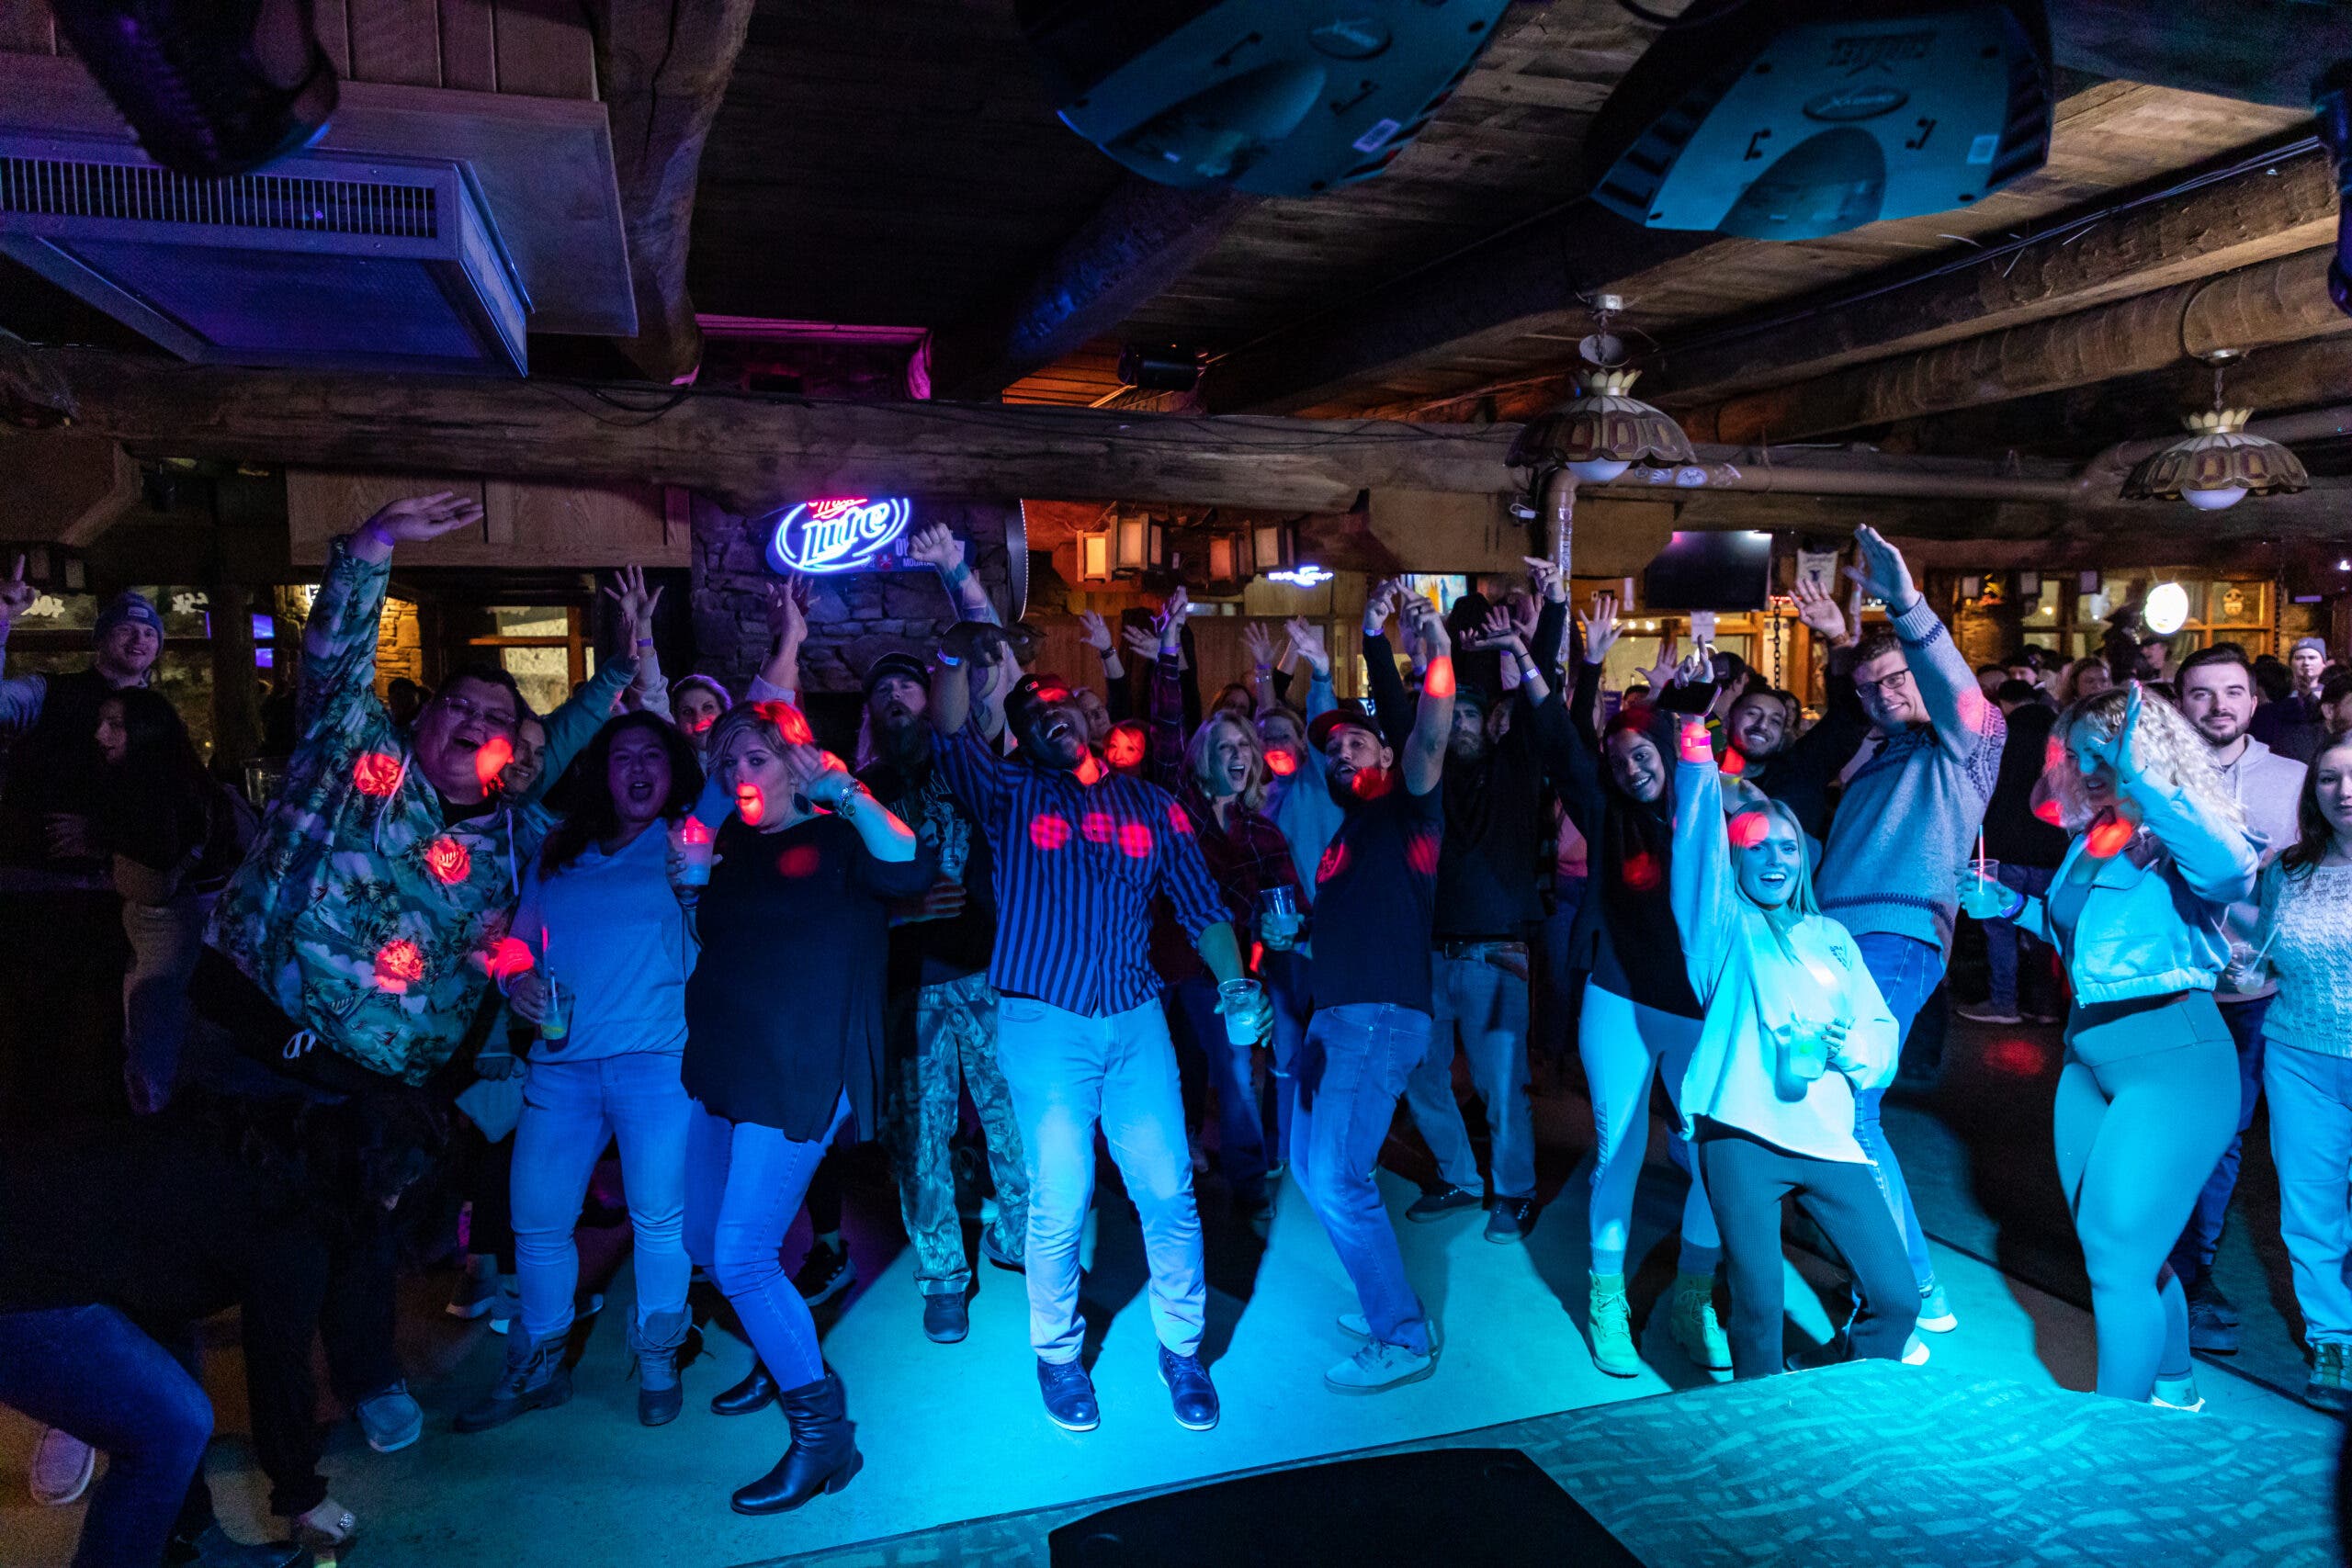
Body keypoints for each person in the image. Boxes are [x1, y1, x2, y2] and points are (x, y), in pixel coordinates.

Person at [194, 493, 645, 1466]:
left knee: (360, 1238)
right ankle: (175, 1394)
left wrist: (617, 678)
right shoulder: (356, 758)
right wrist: (373, 545)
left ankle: (366, 1377)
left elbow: (557, 750)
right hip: (262, 1042)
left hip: (383, 1081)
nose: (475, 723)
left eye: (496, 720)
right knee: (256, 1245)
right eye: (460, 705)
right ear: (425, 715)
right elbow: (333, 660)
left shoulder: (514, 850)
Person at [928, 637, 1269, 1436]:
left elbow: (1202, 904)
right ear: (1022, 733)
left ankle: (1182, 1349)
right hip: (1044, 1019)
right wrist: (958, 635)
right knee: (1063, 1193)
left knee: (1167, 1188)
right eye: (1035, 714)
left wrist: (1235, 980)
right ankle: (1057, 1354)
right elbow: (949, 730)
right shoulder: (1011, 793)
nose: (1055, 718)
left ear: (1093, 716)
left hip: (1134, 1014)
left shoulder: (1152, 805)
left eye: (1066, 706)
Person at [1962, 683, 2256, 1407]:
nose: (2092, 767)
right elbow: (2092, 938)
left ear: (2146, 753)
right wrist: (2012, 907)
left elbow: (2230, 873)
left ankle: (2110, 1436)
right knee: (2121, 1253)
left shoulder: (2179, 830)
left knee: (2120, 1258)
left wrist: (2147, 780)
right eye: (2081, 753)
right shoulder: (2095, 835)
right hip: (2087, 1060)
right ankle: (2176, 1391)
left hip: (2175, 1062)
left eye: (2109, 752)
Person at [1, 1088, 444, 1563]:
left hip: (59, 1236)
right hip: (22, 1281)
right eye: (396, 1186)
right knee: (171, 1426)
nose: (396, 1203)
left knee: (170, 1359)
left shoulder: (277, 1134)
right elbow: (278, 1366)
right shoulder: (291, 1225)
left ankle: (189, 1545)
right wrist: (303, 1498)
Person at [682, 699, 932, 1514]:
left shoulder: (837, 839)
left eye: (755, 759)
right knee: (704, 1240)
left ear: (796, 763)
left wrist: (849, 792)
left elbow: (911, 867)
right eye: (728, 763)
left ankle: (825, 1439)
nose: (740, 776)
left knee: (744, 1252)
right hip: (725, 1063)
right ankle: (778, 1344)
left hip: (801, 1069)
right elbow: (715, 936)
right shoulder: (729, 848)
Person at [454, 712, 705, 1434]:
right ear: (600, 771)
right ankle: (538, 1367)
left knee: (661, 1220)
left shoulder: (688, 841)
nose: (635, 766)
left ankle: (657, 1352)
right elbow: (518, 945)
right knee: (536, 1223)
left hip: (656, 1062)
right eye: (620, 754)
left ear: (671, 768)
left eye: (650, 754)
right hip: (560, 1065)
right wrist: (515, 980)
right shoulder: (560, 850)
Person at [1666, 700, 1913, 1382]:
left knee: (1896, 1299)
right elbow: (1694, 845)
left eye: (1786, 846)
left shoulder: (1831, 937)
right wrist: (1695, 739)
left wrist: (1848, 1048)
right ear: (1734, 861)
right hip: (1741, 1133)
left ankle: (1829, 1382)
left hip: (1828, 1136)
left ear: (1805, 856)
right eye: (1754, 848)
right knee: (1757, 1308)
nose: (1773, 859)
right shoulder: (1721, 930)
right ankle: (1764, 1438)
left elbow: (1879, 1031)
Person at [1815, 525, 2004, 1348]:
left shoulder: (1964, 749)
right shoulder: (1871, 757)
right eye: (1874, 686)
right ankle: (1901, 1279)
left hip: (1895, 939)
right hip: (1827, 943)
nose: (1889, 692)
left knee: (1851, 1111)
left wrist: (1908, 603)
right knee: (1827, 1111)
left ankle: (1911, 1292)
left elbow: (1958, 693)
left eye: (1900, 677)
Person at [1555, 601, 1730, 1376]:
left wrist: (1691, 716)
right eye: (1619, 756)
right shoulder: (1604, 814)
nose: (1632, 765)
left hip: (1698, 1012)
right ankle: (1606, 1300)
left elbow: (1705, 798)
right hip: (1619, 1001)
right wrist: (1588, 663)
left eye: (1641, 751)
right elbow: (1561, 746)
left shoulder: (1711, 807)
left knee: (1710, 1157)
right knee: (1617, 1151)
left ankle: (1693, 1295)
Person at [1367, 568, 1564, 1244]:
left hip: (1494, 951)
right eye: (1454, 717)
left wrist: (1545, 625)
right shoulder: (1426, 781)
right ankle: (1459, 1175)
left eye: (1472, 715)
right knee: (1421, 1072)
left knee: (1501, 1083)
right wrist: (1375, 638)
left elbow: (1546, 715)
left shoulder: (1514, 772)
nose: (1461, 727)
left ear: (1492, 721)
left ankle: (1515, 1192)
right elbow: (1401, 715)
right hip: (1427, 950)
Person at [1292, 591, 1455, 1393]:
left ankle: (1401, 1334)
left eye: (1357, 741)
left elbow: (1431, 724)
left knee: (1338, 1177)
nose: (1343, 754)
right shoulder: (1348, 832)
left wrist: (1433, 648)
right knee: (1307, 1164)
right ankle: (1383, 1297)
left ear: (1387, 757)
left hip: (1376, 1019)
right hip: (1334, 1024)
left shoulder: (1408, 806)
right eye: (1334, 749)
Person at [854, 648, 1030, 1346]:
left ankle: (1019, 1237)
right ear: (871, 710)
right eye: (882, 687)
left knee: (1009, 1116)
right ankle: (943, 1280)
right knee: (920, 1136)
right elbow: (846, 892)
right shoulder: (859, 790)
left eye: (908, 683)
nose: (896, 693)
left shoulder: (966, 769)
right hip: (908, 984)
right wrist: (899, 913)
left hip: (988, 970)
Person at [2167, 645, 2307, 1353]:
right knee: (2163, 1129)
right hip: (2169, 985)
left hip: (2254, 990)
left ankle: (2195, 1271)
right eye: (2201, 693)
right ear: (2179, 701)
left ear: (2255, 702)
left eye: (2232, 692)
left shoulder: (2295, 780)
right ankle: (2156, 1263)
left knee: (2224, 1138)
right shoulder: (2155, 778)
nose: (2218, 705)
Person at [1143, 593, 1300, 1220]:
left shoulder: (1262, 834)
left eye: (1246, 751)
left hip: (1225, 978)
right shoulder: (1175, 807)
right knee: (1163, 1079)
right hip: (1157, 970)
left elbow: (1291, 908)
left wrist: (1286, 927)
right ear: (1204, 756)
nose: (1238, 756)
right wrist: (1169, 644)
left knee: (1238, 1085)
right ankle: (1163, 1188)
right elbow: (1163, 729)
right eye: (1225, 748)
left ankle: (1248, 1191)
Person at [0, 570, 166, 1130]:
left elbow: (171, 806)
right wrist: (2, 621)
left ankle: (96, 1120)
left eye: (151, 632)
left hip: (114, 889)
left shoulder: (160, 720)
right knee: (31, 1003)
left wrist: (103, 836)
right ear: (100, 638)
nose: (140, 639)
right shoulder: (50, 694)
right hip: (35, 882)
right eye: (127, 628)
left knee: (102, 1006)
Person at [2250, 739, 2352, 1411]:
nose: (2343, 789)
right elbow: (2262, 952)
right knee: (2311, 1209)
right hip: (2300, 1057)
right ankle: (2334, 1338)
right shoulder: (2288, 868)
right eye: (2329, 777)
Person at [95, 687, 252, 1114]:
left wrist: (100, 846)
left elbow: (152, 883)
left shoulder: (156, 792)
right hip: (187, 908)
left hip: (173, 914)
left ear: (145, 732)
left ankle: (153, 1095)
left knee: (154, 997)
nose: (100, 734)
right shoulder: (188, 782)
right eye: (101, 723)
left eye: (115, 725)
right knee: (157, 993)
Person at [1957, 680, 2068, 1025]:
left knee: (2000, 930)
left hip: (2004, 847)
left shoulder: (1999, 735)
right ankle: (2045, 1006)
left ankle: (2004, 1003)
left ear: (2004, 703)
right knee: (2043, 931)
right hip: (2051, 849)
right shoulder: (2062, 733)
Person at [2254, 636, 2333, 765]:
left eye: (2312, 658)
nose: (2306, 664)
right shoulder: (2307, 710)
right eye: (2299, 658)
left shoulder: (2262, 717)